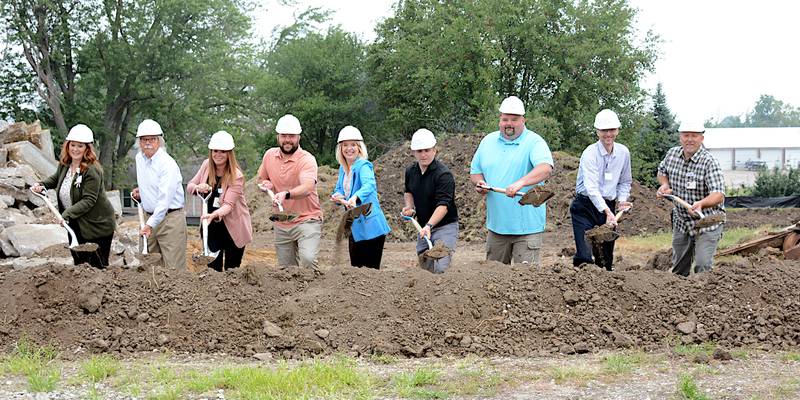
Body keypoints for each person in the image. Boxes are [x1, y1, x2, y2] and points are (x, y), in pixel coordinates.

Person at [470, 96, 554, 266]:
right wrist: (480, 184)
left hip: (527, 229)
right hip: (497, 227)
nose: (509, 123)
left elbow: (545, 168)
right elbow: (475, 172)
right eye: (505, 119)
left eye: (514, 119)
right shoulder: (488, 142)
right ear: (500, 120)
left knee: (526, 282)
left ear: (523, 120)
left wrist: (520, 183)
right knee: (493, 280)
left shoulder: (534, 142)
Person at [32, 124, 116, 268]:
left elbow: (89, 200)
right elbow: (56, 178)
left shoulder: (92, 170)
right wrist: (42, 185)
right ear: (68, 145)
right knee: (79, 263)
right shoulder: (66, 164)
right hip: (75, 222)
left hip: (96, 225)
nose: (75, 149)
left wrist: (66, 214)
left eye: (80, 146)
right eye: (73, 145)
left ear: (87, 148)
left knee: (97, 265)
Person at [657, 119, 726, 276]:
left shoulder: (709, 162)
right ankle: (679, 297)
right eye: (686, 135)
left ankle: (705, 297)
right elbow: (662, 172)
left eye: (694, 136)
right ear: (680, 137)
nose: (689, 139)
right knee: (679, 269)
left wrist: (701, 203)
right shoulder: (672, 155)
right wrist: (665, 185)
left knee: (702, 265)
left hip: (708, 221)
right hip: (682, 220)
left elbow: (718, 194)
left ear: (701, 138)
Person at [257, 114, 323, 270]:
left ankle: (314, 293)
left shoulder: (306, 159)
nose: (287, 140)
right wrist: (265, 184)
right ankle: (293, 295)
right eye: (284, 136)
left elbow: (307, 187)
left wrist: (286, 194)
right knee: (286, 270)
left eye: (291, 136)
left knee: (308, 259)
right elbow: (260, 179)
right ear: (278, 137)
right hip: (282, 221)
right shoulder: (269, 156)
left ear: (298, 137)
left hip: (307, 218)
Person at [570, 109, 632, 270]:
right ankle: (580, 291)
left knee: (605, 259)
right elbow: (591, 188)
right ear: (597, 132)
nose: (608, 134)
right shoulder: (590, 153)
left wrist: (622, 200)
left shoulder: (623, 153)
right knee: (584, 256)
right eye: (604, 130)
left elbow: (625, 182)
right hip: (585, 207)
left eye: (612, 130)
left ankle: (604, 293)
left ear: (617, 130)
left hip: (609, 206)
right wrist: (607, 212)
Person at [187, 131, 253, 271]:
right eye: (215, 151)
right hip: (211, 227)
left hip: (232, 228)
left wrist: (214, 215)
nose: (218, 154)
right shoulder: (206, 165)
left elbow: (228, 205)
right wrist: (198, 187)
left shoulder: (237, 176)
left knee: (232, 270)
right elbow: (190, 185)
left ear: (229, 153)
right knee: (213, 270)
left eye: (223, 151)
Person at [330, 126, 391, 269]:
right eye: (345, 145)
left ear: (359, 148)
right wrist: (337, 196)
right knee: (356, 271)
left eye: (353, 145)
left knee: (370, 271)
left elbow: (369, 184)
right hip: (355, 226)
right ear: (340, 148)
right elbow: (340, 188)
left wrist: (355, 197)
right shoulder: (343, 168)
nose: (349, 149)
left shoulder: (363, 165)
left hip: (370, 225)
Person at [131, 119, 187, 270]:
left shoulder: (167, 164)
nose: (148, 143)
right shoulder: (139, 159)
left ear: (159, 141)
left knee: (173, 268)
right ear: (139, 142)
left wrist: (149, 225)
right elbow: (150, 183)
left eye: (152, 139)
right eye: (144, 139)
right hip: (149, 216)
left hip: (170, 220)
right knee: (148, 265)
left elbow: (164, 201)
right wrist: (142, 191)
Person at [401, 129, 459, 274]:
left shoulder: (443, 175)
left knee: (441, 265)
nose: (423, 154)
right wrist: (409, 207)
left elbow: (444, 206)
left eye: (427, 150)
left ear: (435, 150)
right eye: (419, 151)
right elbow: (408, 191)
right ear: (414, 152)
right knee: (424, 262)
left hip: (444, 226)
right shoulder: (411, 171)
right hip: (423, 226)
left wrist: (428, 226)